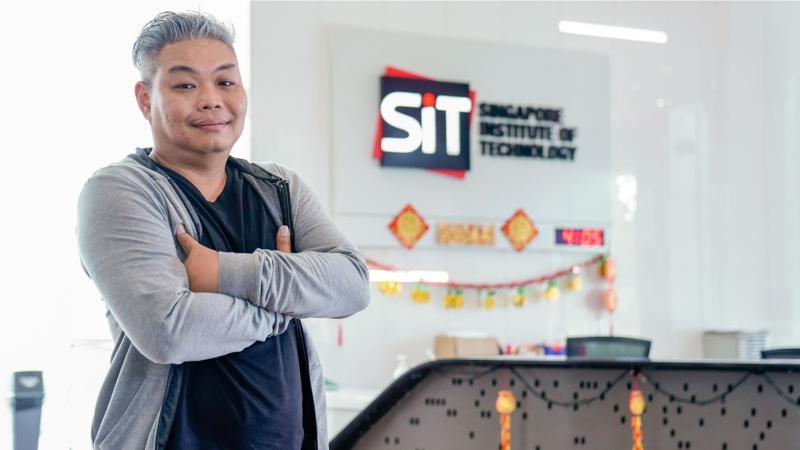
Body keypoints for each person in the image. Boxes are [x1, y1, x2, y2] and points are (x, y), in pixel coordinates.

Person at [77, 11, 370, 450]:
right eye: (185, 85)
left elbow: (353, 285)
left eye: (226, 81)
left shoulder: (279, 189)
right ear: (145, 99)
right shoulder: (120, 191)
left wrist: (222, 273)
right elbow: (169, 330)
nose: (211, 100)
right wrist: (288, 304)